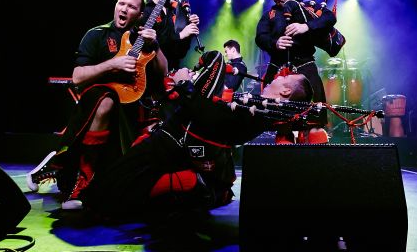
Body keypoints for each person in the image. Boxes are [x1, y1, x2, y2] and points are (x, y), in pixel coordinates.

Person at [80, 51, 323, 222]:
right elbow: (216, 114)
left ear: (286, 91)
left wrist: (185, 85)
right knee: (214, 59)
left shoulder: (264, 112)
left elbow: (210, 117)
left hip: (177, 142)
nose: (276, 77)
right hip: (180, 137)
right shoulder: (264, 109)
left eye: (282, 78)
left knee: (105, 198)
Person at [26, 0, 168, 210]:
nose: (124, 9)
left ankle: (64, 166)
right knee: (106, 100)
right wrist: (113, 64)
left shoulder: (143, 38)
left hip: (132, 107)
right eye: (121, 3)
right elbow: (77, 76)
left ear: (140, 15)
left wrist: (157, 46)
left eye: (131, 7)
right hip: (96, 106)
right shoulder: (96, 34)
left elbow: (163, 73)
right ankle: (82, 180)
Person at [255, 0, 336, 144]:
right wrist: (274, 43)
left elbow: (330, 18)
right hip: (278, 68)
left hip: (305, 65)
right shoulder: (269, 15)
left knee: (314, 124)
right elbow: (260, 37)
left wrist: (306, 26)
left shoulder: (307, 7)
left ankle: (319, 164)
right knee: (282, 126)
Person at [143, 0, 200, 71]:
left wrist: (188, 30)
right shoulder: (145, 10)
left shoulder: (173, 10)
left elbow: (180, 53)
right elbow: (151, 45)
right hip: (152, 73)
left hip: (173, 71)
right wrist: (180, 35)